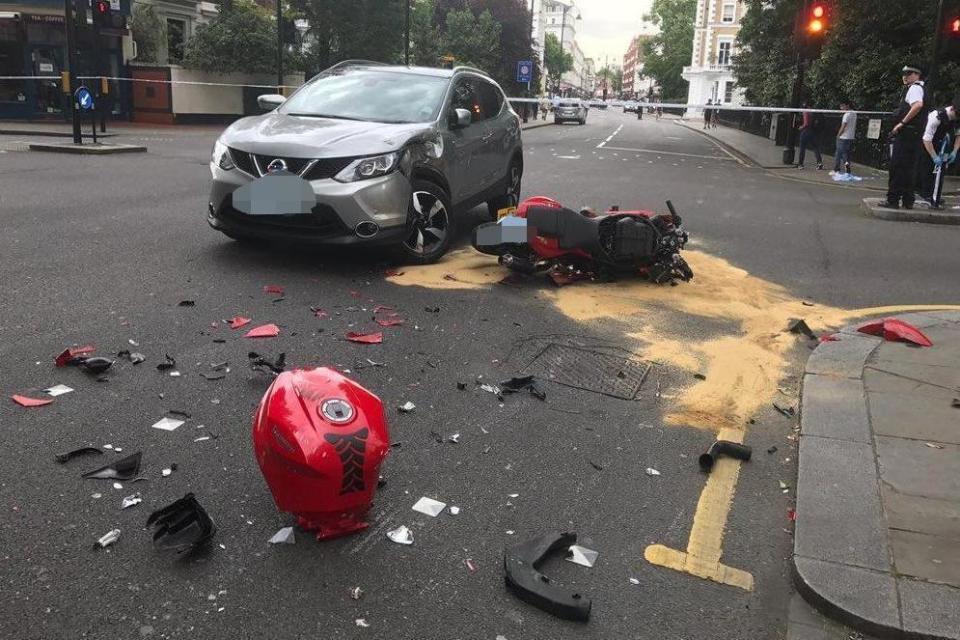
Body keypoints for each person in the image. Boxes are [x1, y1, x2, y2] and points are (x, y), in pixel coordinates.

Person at [885, 65, 927, 209]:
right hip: (915, 134)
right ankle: (908, 200)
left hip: (907, 133)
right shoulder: (923, 89)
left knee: (897, 167)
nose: (905, 76)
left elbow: (917, 105)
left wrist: (901, 123)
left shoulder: (914, 88)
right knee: (909, 169)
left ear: (917, 75)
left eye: (909, 73)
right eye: (904, 74)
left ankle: (893, 200)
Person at [919, 96, 959, 208]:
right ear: (952, 109)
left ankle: (935, 195)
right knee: (928, 170)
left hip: (944, 145)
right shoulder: (936, 117)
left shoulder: (956, 119)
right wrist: (934, 156)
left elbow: (958, 136)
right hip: (930, 145)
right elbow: (926, 139)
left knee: (940, 173)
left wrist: (954, 151)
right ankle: (927, 195)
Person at [796, 103, 824, 170]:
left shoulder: (805, 112)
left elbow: (806, 123)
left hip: (805, 131)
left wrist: (801, 127)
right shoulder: (812, 112)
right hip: (812, 131)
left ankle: (800, 164)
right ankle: (819, 163)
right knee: (815, 147)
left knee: (802, 148)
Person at [833, 100, 857, 175]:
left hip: (843, 137)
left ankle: (837, 169)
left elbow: (843, 126)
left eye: (842, 106)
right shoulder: (854, 113)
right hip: (850, 137)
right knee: (846, 153)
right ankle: (847, 165)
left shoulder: (846, 115)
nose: (841, 108)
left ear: (847, 105)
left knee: (839, 153)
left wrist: (838, 134)